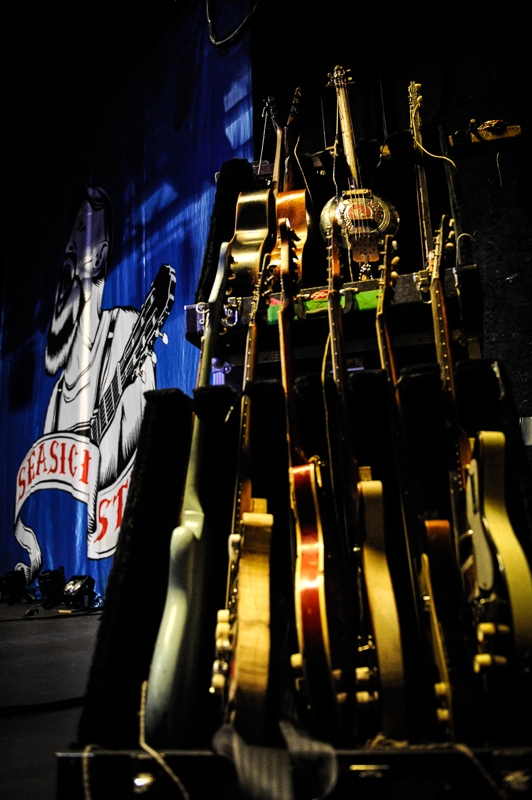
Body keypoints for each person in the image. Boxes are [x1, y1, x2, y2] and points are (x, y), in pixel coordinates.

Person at [14, 186, 155, 583]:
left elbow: (138, 445)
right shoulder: (57, 399)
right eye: (74, 230)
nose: (75, 243)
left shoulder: (127, 328)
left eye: (85, 229)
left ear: (105, 249)